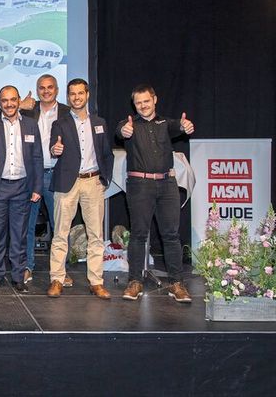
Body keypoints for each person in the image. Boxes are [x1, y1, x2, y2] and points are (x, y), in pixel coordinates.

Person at [116, 84, 195, 303]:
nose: (143, 106)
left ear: (154, 100)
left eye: (146, 101)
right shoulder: (128, 124)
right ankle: (134, 282)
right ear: (134, 105)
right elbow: (120, 131)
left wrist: (185, 125)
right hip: (139, 185)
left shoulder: (166, 123)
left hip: (167, 185)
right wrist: (124, 131)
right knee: (139, 234)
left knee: (171, 235)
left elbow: (180, 126)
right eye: (138, 103)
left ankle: (177, 283)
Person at [46, 79, 114, 300]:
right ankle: (57, 278)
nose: (76, 97)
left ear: (87, 95)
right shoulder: (60, 123)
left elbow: (107, 154)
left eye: (80, 93)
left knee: (96, 235)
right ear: (68, 97)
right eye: (72, 94)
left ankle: (96, 281)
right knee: (60, 234)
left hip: (93, 182)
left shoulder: (100, 122)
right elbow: (53, 147)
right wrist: (55, 150)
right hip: (67, 183)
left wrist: (105, 179)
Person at [0, 85, 43, 293]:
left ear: (19, 100)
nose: (9, 104)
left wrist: (37, 186)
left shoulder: (31, 125)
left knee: (19, 235)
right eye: (5, 100)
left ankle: (18, 277)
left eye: (13, 99)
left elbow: (37, 157)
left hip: (22, 187)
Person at [18, 74, 70, 285]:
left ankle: (60, 272)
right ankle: (27, 266)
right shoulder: (29, 109)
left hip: (57, 174)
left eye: (50, 87)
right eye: (42, 88)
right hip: (31, 176)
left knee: (59, 226)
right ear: (37, 90)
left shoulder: (67, 112)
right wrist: (20, 106)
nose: (46, 91)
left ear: (57, 90)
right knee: (27, 225)